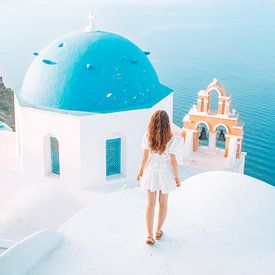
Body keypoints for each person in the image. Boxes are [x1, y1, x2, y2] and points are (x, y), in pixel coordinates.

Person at [136, 110, 181, 245]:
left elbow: (145, 157)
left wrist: (140, 171)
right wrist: (177, 177)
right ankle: (158, 231)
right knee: (163, 203)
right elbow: (173, 160)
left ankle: (149, 236)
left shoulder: (148, 136)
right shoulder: (171, 139)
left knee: (151, 204)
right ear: (167, 124)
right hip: (165, 173)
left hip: (151, 171)